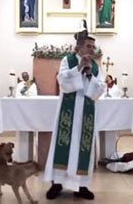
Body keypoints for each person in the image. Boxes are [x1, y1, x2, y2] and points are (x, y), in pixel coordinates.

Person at [44, 26, 106, 200]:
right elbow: (62, 80)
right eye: (88, 46)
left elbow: (101, 87)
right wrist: (78, 68)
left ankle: (82, 186)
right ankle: (57, 183)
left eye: (93, 47)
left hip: (86, 114)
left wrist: (89, 77)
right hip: (68, 112)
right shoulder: (68, 60)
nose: (92, 50)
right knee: (63, 144)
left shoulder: (95, 67)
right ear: (79, 46)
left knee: (83, 146)